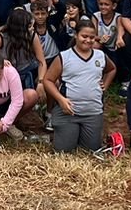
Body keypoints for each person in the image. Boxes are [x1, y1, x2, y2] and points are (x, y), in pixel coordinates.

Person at [45, 19, 114, 154]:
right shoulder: (64, 57)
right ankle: (60, 135)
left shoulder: (100, 55)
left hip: (93, 112)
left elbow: (111, 69)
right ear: (76, 35)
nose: (88, 40)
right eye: (84, 36)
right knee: (64, 151)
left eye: (92, 37)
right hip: (68, 113)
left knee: (90, 152)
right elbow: (48, 80)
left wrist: (105, 85)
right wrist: (60, 99)